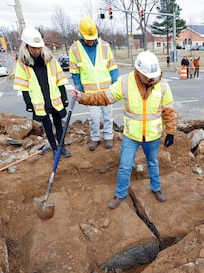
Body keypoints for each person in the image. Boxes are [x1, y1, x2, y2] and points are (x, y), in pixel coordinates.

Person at [71, 51, 177, 209]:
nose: (151, 79)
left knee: (153, 163)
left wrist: (171, 131)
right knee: (125, 165)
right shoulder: (125, 82)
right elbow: (104, 97)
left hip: (153, 135)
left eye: (153, 76)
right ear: (138, 72)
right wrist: (83, 97)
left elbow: (168, 110)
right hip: (131, 135)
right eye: (147, 76)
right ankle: (120, 194)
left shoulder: (162, 85)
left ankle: (156, 188)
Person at [13, 27, 71, 159]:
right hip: (39, 101)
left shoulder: (50, 59)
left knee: (59, 124)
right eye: (33, 48)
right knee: (47, 127)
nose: (37, 51)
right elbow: (24, 86)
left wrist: (64, 97)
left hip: (54, 98)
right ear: (27, 47)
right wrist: (28, 103)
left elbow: (60, 79)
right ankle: (54, 148)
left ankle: (62, 146)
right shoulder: (23, 63)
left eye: (39, 48)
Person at [69, 17, 119, 151]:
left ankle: (108, 136)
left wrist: (115, 84)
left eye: (92, 38)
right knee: (94, 118)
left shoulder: (104, 46)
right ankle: (95, 138)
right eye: (88, 38)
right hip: (90, 92)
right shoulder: (74, 49)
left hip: (106, 90)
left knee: (108, 115)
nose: (90, 40)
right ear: (81, 34)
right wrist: (79, 89)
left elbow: (112, 67)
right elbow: (75, 72)